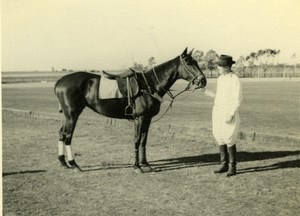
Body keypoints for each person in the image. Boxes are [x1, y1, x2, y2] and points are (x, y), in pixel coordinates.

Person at [200, 55, 243, 176]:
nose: (218, 68)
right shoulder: (220, 79)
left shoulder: (234, 79)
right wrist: (204, 91)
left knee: (229, 138)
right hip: (218, 112)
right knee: (220, 137)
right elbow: (218, 96)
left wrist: (231, 114)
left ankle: (232, 167)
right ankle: (224, 164)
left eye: (220, 66)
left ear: (227, 67)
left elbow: (238, 99)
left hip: (228, 112)